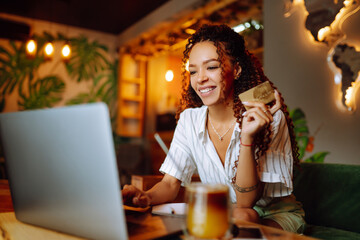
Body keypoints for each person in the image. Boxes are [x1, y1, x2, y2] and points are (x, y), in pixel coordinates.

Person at [122, 24, 305, 233]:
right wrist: (146, 196)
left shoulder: (269, 117)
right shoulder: (189, 120)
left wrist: (247, 137)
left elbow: (245, 203)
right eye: (193, 71)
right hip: (226, 213)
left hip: (275, 215)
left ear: (236, 70)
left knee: (240, 215)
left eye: (211, 67)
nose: (200, 78)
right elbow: (170, 184)